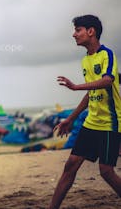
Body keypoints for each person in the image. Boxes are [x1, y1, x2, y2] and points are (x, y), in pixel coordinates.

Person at [49, 15, 121, 209]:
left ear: (91, 31)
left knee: (106, 171)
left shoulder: (107, 54)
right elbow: (92, 93)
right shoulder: (85, 61)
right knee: (70, 165)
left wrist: (75, 87)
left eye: (78, 30)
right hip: (91, 122)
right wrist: (70, 119)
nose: (74, 34)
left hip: (110, 123)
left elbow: (107, 80)